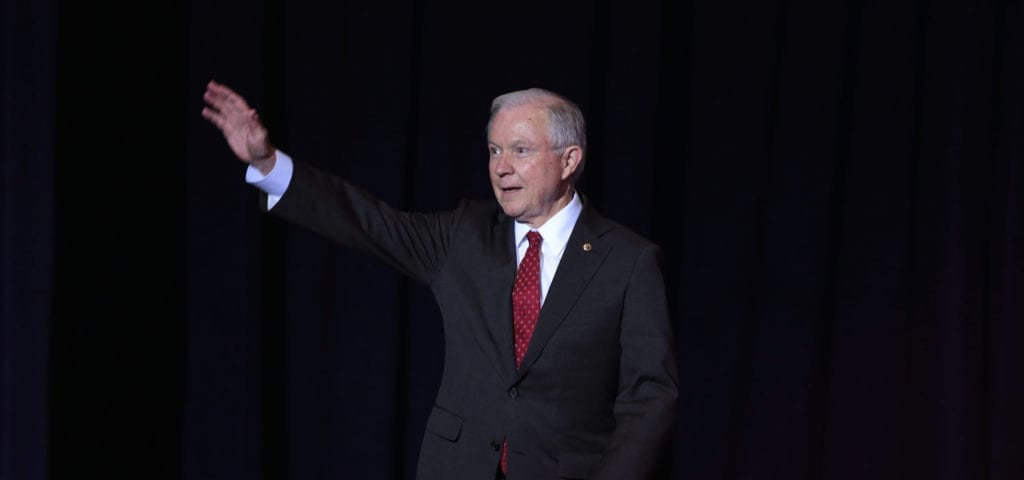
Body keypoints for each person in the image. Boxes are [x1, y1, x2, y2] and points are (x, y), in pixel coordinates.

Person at [202, 79, 679, 480]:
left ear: (570, 160)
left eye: (520, 150)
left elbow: (650, 396)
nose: (501, 167)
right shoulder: (464, 235)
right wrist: (267, 163)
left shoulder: (628, 261)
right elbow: (368, 223)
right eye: (494, 150)